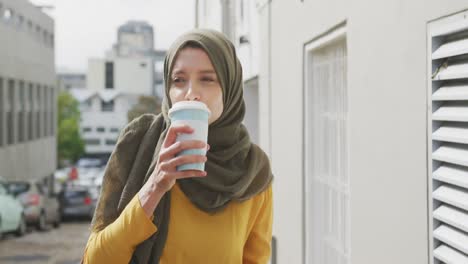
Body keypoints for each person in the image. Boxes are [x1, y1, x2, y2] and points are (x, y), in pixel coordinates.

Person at [82, 29, 273, 264]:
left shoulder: (253, 169)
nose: (191, 94)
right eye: (179, 80)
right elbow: (96, 260)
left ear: (230, 87)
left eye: (207, 79)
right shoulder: (138, 143)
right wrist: (154, 186)